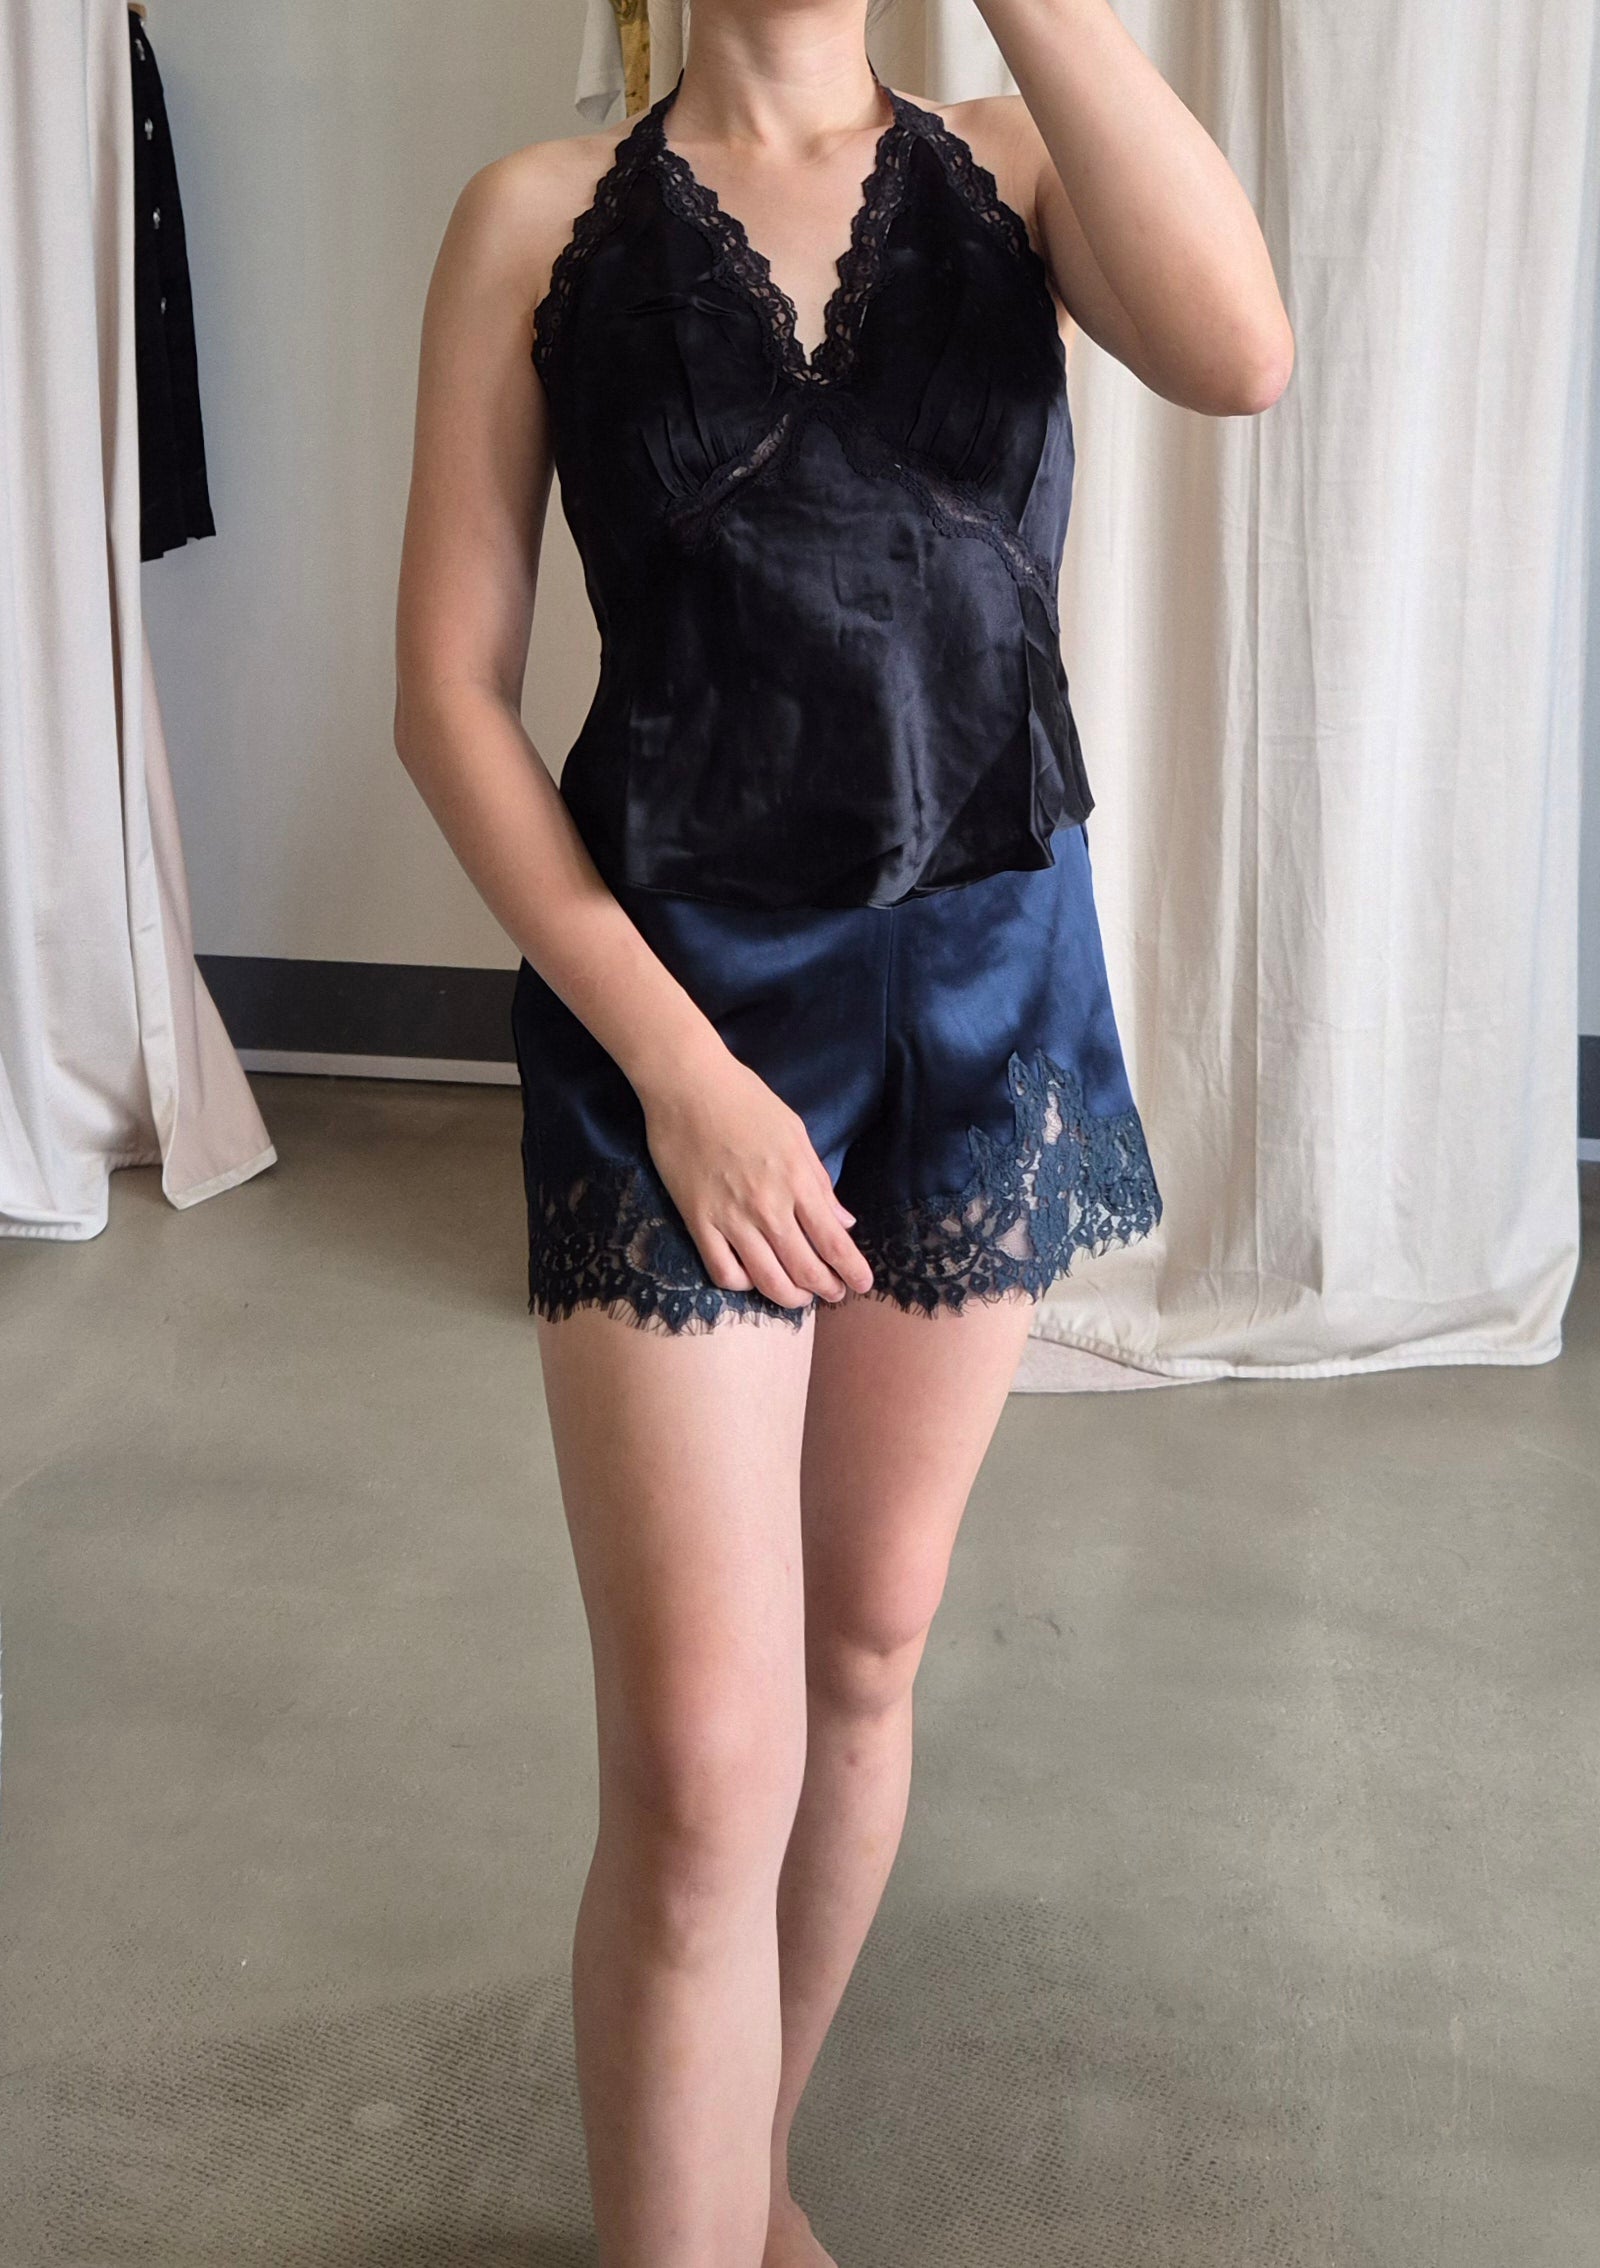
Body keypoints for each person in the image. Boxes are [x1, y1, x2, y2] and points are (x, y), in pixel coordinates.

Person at [393, 0, 1291, 2256]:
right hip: (674, 1024)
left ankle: (751, 2164)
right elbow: (446, 699)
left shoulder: (1015, 165)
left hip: (979, 997)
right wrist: (679, 1072)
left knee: (867, 1646)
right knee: (704, 1770)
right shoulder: (536, 217)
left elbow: (1240, 353)